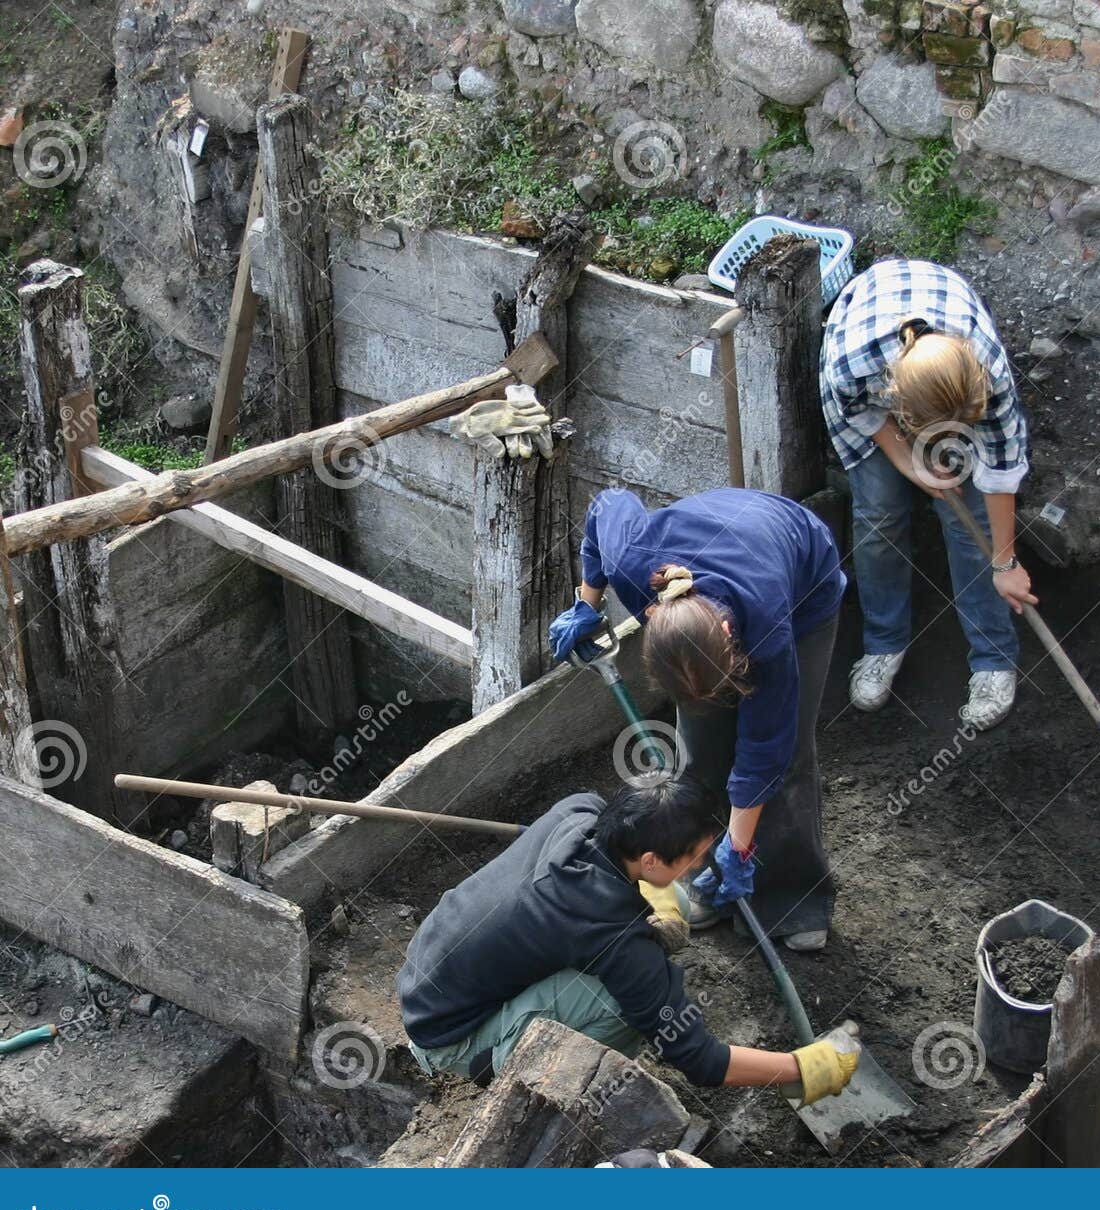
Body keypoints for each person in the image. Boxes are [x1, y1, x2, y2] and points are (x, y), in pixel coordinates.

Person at [396, 777, 857, 1107]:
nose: (703, 865)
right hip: (447, 1037)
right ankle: (530, 1078)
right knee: (628, 1009)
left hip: (427, 975)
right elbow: (697, 1057)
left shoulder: (578, 809)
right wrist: (805, 1069)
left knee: (670, 896)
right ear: (651, 857)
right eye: (696, 857)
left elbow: (645, 888)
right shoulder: (613, 936)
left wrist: (664, 909)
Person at [552, 486, 845, 951]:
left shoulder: (767, 625)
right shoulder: (633, 564)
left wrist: (741, 846)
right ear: (652, 618)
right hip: (715, 555)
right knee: (702, 749)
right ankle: (707, 873)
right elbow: (605, 504)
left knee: (787, 764)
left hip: (803, 577)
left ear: (731, 638)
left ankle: (790, 901)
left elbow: (766, 747)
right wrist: (588, 604)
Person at [820, 257, 1038, 731]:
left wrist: (1006, 563)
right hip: (871, 377)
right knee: (879, 513)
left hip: (939, 339)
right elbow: (857, 409)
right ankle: (883, 642)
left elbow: (1000, 469)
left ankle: (993, 657)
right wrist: (908, 462)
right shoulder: (854, 364)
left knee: (971, 522)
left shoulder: (988, 371)